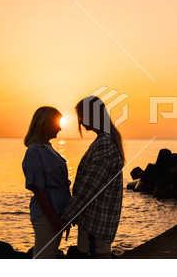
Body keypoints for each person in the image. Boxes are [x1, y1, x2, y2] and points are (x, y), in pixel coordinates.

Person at [62, 96, 125, 259]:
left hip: (96, 222)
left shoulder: (104, 143)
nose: (81, 121)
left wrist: (66, 217)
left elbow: (88, 189)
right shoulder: (106, 140)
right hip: (99, 220)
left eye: (82, 116)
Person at [22, 106, 71, 259]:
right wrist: (55, 220)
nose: (60, 128)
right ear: (45, 124)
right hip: (47, 215)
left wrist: (65, 216)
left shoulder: (48, 148)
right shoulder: (34, 151)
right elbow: (39, 190)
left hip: (56, 213)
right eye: (57, 123)